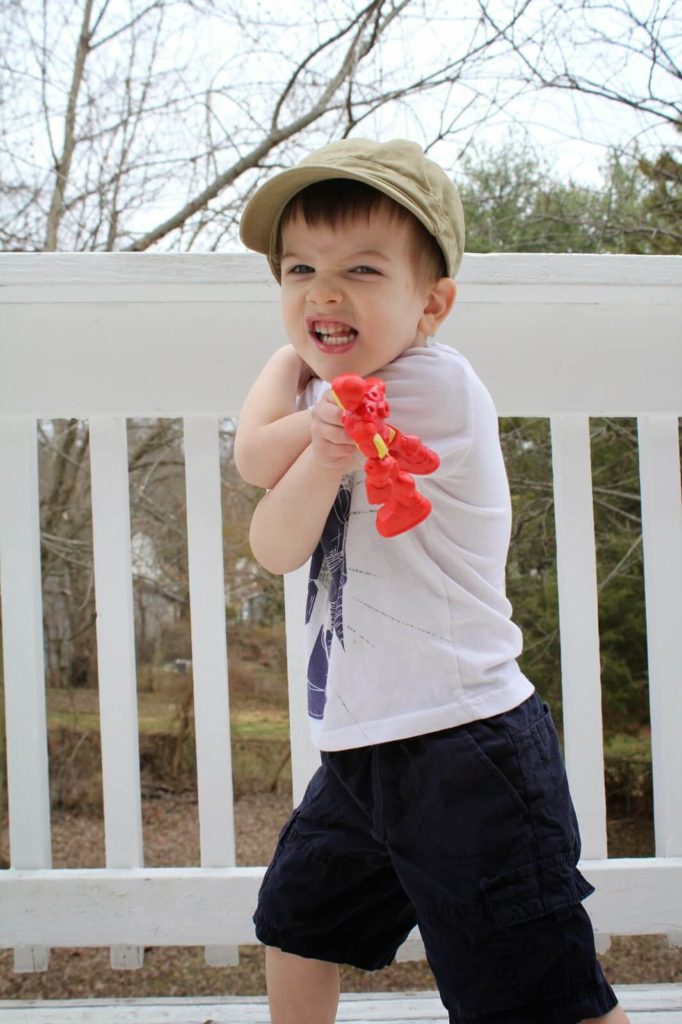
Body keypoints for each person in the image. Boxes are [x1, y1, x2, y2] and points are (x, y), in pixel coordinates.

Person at [234, 138, 629, 1024]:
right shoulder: (334, 398)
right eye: (298, 270)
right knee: (298, 922)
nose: (323, 294)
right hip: (367, 746)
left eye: (362, 270)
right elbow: (272, 534)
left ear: (432, 304)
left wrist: (301, 392)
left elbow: (259, 457)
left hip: (464, 746)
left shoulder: (425, 386)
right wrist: (296, 374)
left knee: (536, 988)